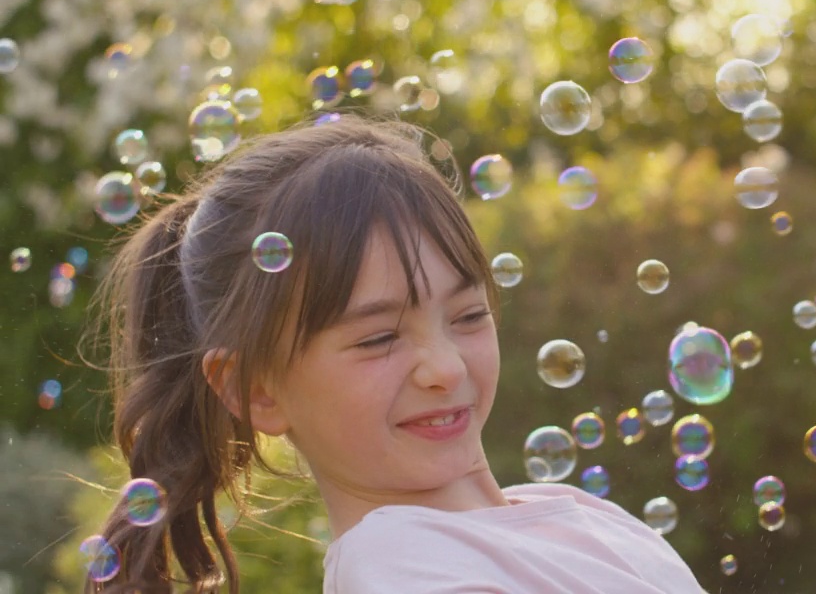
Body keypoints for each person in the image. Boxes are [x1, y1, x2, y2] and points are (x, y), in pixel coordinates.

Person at [84, 114, 705, 593]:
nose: (446, 368)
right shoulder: (399, 567)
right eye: (378, 338)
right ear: (256, 388)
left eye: (467, 315)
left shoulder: (575, 514)